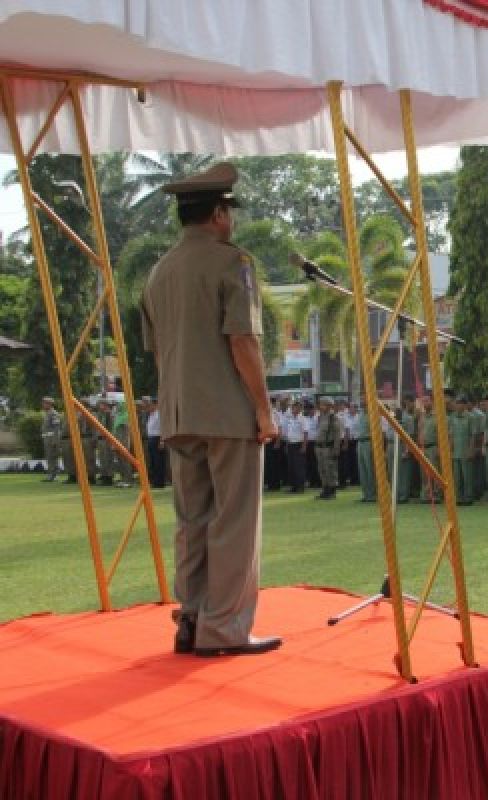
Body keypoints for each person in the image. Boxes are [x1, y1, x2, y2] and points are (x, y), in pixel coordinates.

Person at [139, 162, 280, 657]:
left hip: (179, 413)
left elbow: (155, 349)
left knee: (192, 520)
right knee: (234, 521)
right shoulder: (231, 263)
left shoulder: (159, 272)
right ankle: (225, 630)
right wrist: (264, 411)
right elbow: (243, 341)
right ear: (219, 213)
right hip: (227, 412)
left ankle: (191, 619)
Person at [313, 396, 343, 500]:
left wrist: (336, 449)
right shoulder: (320, 417)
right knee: (322, 470)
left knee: (330, 469)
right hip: (319, 447)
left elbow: (337, 435)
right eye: (320, 404)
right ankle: (325, 490)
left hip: (329, 448)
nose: (320, 406)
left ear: (329, 405)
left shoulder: (334, 418)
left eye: (322, 404)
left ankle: (332, 491)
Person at [283, 400, 308, 493]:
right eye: (293, 407)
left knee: (299, 467)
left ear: (300, 408)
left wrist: (304, 446)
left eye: (296, 407)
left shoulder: (302, 419)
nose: (294, 409)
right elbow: (288, 433)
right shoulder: (290, 419)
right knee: (291, 466)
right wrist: (286, 445)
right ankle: (293, 486)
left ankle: (300, 486)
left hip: (298, 444)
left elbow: (305, 433)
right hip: (290, 444)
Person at [144, 396, 167, 488]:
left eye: (150, 405)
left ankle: (160, 482)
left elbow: (162, 428)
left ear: (155, 405)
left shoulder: (159, 415)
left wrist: (162, 441)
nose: (148, 407)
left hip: (157, 438)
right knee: (153, 461)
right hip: (151, 438)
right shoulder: (151, 415)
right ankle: (155, 481)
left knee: (159, 461)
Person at [40, 397, 63, 482]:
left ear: (50, 404)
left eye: (45, 403)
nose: (43, 405)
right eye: (43, 403)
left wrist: (55, 440)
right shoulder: (47, 413)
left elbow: (56, 428)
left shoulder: (53, 413)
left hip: (52, 438)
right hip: (47, 438)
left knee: (53, 457)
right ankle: (50, 474)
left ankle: (54, 475)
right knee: (49, 457)